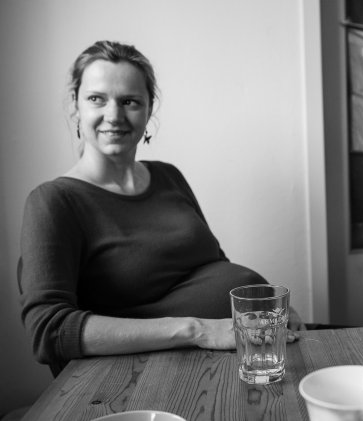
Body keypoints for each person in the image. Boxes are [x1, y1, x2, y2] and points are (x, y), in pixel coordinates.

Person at [18, 40, 304, 376]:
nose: (114, 115)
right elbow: (49, 330)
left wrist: (266, 308)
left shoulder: (168, 176)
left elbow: (214, 266)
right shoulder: (54, 201)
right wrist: (198, 330)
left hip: (236, 354)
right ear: (76, 105)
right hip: (151, 377)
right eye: (97, 99)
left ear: (149, 108)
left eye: (130, 101)